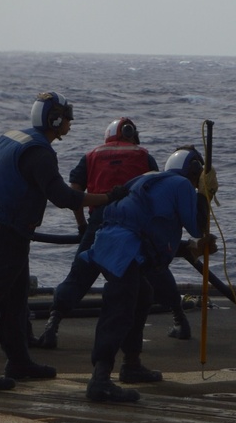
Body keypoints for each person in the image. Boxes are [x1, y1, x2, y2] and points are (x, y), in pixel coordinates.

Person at [0, 91, 108, 393]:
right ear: (54, 119)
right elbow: (63, 197)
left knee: (15, 297)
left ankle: (19, 361)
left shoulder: (13, 136)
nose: (69, 120)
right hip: (5, 232)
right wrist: (107, 197)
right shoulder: (40, 153)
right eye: (65, 115)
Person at [40, 117, 192, 349]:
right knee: (155, 271)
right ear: (131, 133)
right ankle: (180, 320)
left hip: (100, 220)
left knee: (79, 275)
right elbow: (157, 186)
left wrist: (82, 226)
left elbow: (75, 192)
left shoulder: (91, 156)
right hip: (136, 223)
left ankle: (52, 326)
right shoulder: (142, 155)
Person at [81, 146, 215, 405]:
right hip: (124, 250)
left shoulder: (151, 179)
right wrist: (205, 193)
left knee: (143, 295)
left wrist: (188, 247)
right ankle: (100, 380)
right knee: (119, 310)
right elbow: (198, 226)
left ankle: (131, 365)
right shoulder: (182, 186)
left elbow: (151, 229)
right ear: (195, 172)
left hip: (111, 244)